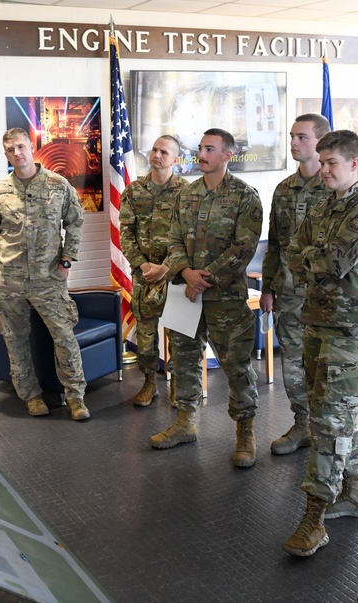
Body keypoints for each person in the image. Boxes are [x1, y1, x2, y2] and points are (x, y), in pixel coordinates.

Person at [282, 130, 358, 556]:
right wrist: (312, 259)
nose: (322, 170)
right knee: (333, 419)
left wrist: (312, 259)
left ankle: (315, 516)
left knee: (327, 423)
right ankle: (355, 494)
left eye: (331, 164)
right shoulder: (322, 205)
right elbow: (293, 253)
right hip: (315, 324)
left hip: (349, 333)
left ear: (354, 165)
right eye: (321, 163)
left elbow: (337, 263)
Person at [150, 128, 264, 468]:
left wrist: (205, 279)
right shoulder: (187, 194)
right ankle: (185, 422)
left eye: (210, 149)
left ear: (227, 155)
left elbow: (243, 247)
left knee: (236, 366)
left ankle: (244, 431)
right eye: (200, 148)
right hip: (183, 292)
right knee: (182, 358)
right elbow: (172, 240)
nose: (202, 154)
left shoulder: (245, 196)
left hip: (225, 298)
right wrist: (185, 272)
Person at [0, 127, 89, 421]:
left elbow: (75, 222)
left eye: (20, 147)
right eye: (10, 150)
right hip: (8, 279)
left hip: (48, 278)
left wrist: (67, 260)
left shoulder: (58, 185)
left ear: (31, 147)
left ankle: (76, 397)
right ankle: (31, 396)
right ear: (5, 155)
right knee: (15, 342)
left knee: (64, 337)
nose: (17, 153)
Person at [260, 114, 331, 455]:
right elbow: (275, 243)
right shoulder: (284, 189)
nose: (293, 143)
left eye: (301, 137)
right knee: (293, 364)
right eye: (292, 136)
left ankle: (326, 430)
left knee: (325, 366)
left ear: (321, 142)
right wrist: (269, 289)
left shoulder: (334, 186)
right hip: (288, 295)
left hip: (325, 297)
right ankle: (302, 424)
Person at [119, 135, 187, 407]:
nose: (157, 155)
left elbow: (191, 236)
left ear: (175, 159)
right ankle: (149, 383)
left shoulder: (187, 191)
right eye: (155, 149)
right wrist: (143, 265)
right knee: (146, 335)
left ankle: (177, 387)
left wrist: (166, 267)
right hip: (144, 275)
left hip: (176, 276)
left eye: (164, 151)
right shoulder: (135, 191)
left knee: (179, 337)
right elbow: (126, 232)